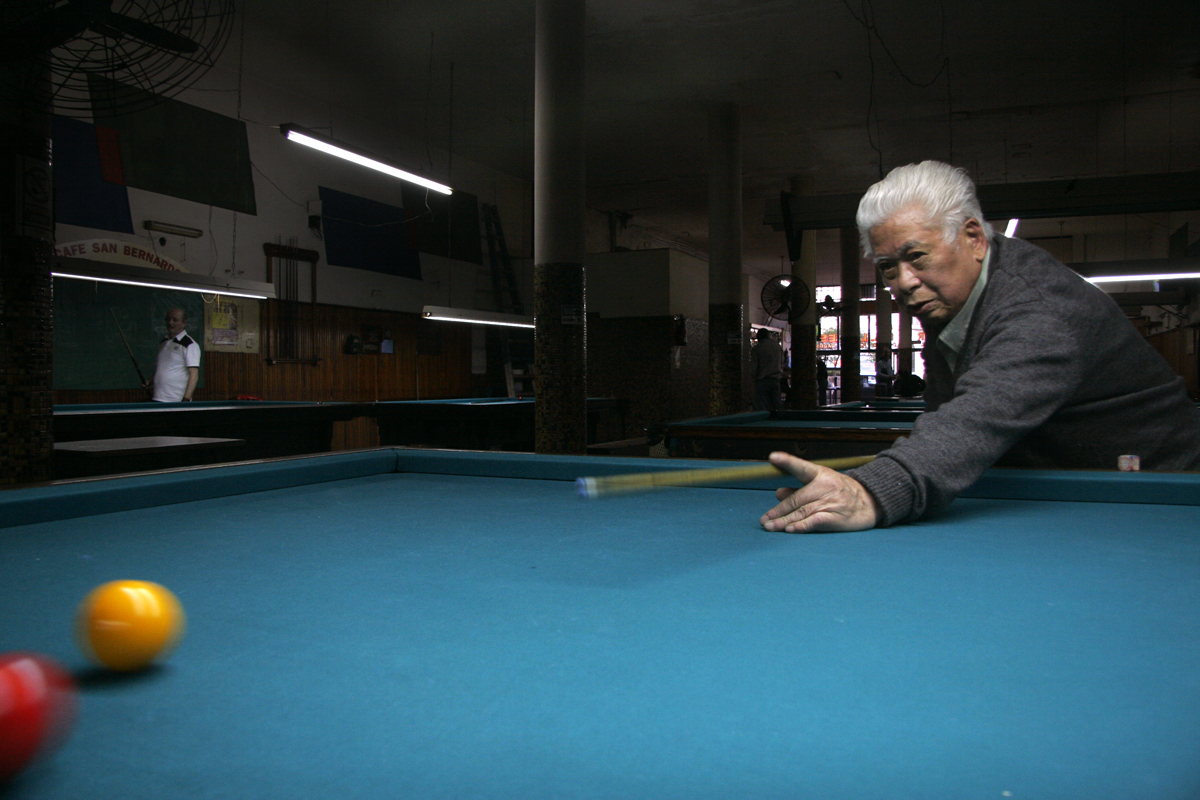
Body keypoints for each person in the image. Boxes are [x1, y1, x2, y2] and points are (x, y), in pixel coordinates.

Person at [761, 160, 1200, 533]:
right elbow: (949, 414)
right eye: (886, 266)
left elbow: (978, 417)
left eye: (917, 256)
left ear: (973, 238)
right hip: (1075, 488)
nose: (904, 282)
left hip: (1165, 492)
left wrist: (874, 489)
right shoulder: (951, 296)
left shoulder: (1038, 309)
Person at [144, 308, 200, 402]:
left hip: (175, 400)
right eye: (168, 319)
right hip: (158, 397)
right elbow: (164, 368)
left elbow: (193, 374)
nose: (170, 322)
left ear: (183, 323)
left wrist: (185, 399)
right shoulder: (163, 342)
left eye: (175, 320)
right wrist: (149, 381)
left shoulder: (190, 344)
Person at [750, 328, 785, 415]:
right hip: (776, 379)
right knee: (776, 404)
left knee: (762, 406)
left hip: (762, 380)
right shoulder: (777, 347)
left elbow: (753, 367)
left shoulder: (757, 348)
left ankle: (764, 425)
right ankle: (779, 423)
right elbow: (782, 361)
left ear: (759, 337)